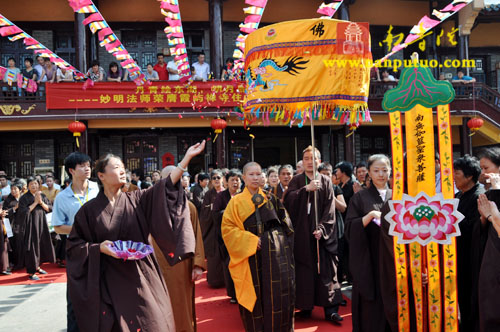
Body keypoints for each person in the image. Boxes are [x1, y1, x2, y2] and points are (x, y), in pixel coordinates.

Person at [66, 141, 205, 332]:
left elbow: (163, 188)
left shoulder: (137, 199)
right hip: (108, 278)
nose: (123, 171)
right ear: (101, 176)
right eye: (116, 167)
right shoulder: (88, 212)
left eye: (123, 168)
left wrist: (185, 161)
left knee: (152, 320)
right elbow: (74, 247)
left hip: (140, 273)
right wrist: (99, 248)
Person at [222, 162, 295, 331]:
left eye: (258, 174)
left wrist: (275, 240)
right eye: (251, 175)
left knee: (275, 295)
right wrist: (250, 241)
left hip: (274, 258)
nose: (255, 178)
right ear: (243, 178)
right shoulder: (236, 203)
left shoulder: (271, 199)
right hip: (250, 257)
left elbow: (287, 226)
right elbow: (228, 230)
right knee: (255, 298)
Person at [284, 146, 343, 323]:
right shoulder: (296, 180)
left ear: (319, 161)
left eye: (313, 158)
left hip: (321, 235)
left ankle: (331, 310)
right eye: (307, 158)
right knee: (304, 272)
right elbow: (288, 202)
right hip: (302, 234)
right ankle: (306, 306)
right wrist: (306, 189)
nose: (310, 161)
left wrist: (323, 229)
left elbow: (330, 209)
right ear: (302, 161)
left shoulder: (326, 181)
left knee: (327, 271)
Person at [151, 165, 206, 332]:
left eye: (179, 177)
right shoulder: (149, 205)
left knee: (181, 305)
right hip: (155, 264)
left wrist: (197, 264)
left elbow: (196, 235)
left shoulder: (189, 207)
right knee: (155, 306)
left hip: (181, 266)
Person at [52, 152, 99, 332]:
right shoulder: (62, 197)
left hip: (100, 246)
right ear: (71, 170)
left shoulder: (98, 188)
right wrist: (79, 230)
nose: (87, 168)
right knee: (76, 294)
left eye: (88, 165)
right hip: (77, 249)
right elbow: (57, 226)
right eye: (82, 166)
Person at [345, 154, 392, 331]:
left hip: (393, 259)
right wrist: (370, 216)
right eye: (376, 170)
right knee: (370, 309)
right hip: (369, 259)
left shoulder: (397, 196)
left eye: (385, 170)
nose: (381, 174)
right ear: (369, 174)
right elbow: (349, 228)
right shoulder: (360, 198)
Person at [453, 155, 485, 332]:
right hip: (458, 256)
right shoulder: (459, 195)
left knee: (471, 300)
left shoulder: (480, 197)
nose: (453, 177)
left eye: (456, 173)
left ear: (469, 176)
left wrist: (451, 221)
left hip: (472, 258)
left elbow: (475, 228)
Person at [475, 146, 500, 331]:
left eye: (487, 168)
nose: (483, 173)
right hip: (490, 251)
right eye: (481, 169)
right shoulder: (489, 192)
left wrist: (490, 216)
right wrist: (484, 218)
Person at [16, 176, 55, 280]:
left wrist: (41, 202)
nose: (34, 185)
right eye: (31, 184)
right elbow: (23, 212)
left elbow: (49, 209)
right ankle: (31, 272)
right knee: (32, 247)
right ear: (28, 186)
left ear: (39, 185)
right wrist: (35, 203)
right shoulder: (24, 198)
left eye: (36, 183)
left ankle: (38, 266)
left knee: (41, 245)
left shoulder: (42, 195)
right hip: (30, 226)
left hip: (41, 224)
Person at [212, 169, 241, 303]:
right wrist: (231, 208)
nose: (235, 183)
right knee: (230, 264)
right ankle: (233, 294)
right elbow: (215, 214)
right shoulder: (221, 196)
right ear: (226, 182)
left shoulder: (244, 194)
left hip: (243, 236)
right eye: (232, 180)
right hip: (227, 237)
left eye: (237, 180)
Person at [200, 169, 226, 288]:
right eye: (214, 178)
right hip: (213, 229)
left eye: (218, 177)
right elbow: (204, 212)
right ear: (211, 180)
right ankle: (215, 281)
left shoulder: (226, 193)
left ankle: (227, 281)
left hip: (226, 228)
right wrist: (212, 209)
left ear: (223, 179)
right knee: (214, 256)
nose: (216, 180)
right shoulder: (208, 194)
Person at [1, 181, 22, 271]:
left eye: (15, 189)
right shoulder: (8, 200)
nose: (13, 191)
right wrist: (14, 209)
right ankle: (14, 262)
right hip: (11, 225)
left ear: (20, 190)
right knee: (13, 244)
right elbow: (5, 213)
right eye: (11, 189)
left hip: (22, 224)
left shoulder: (23, 198)